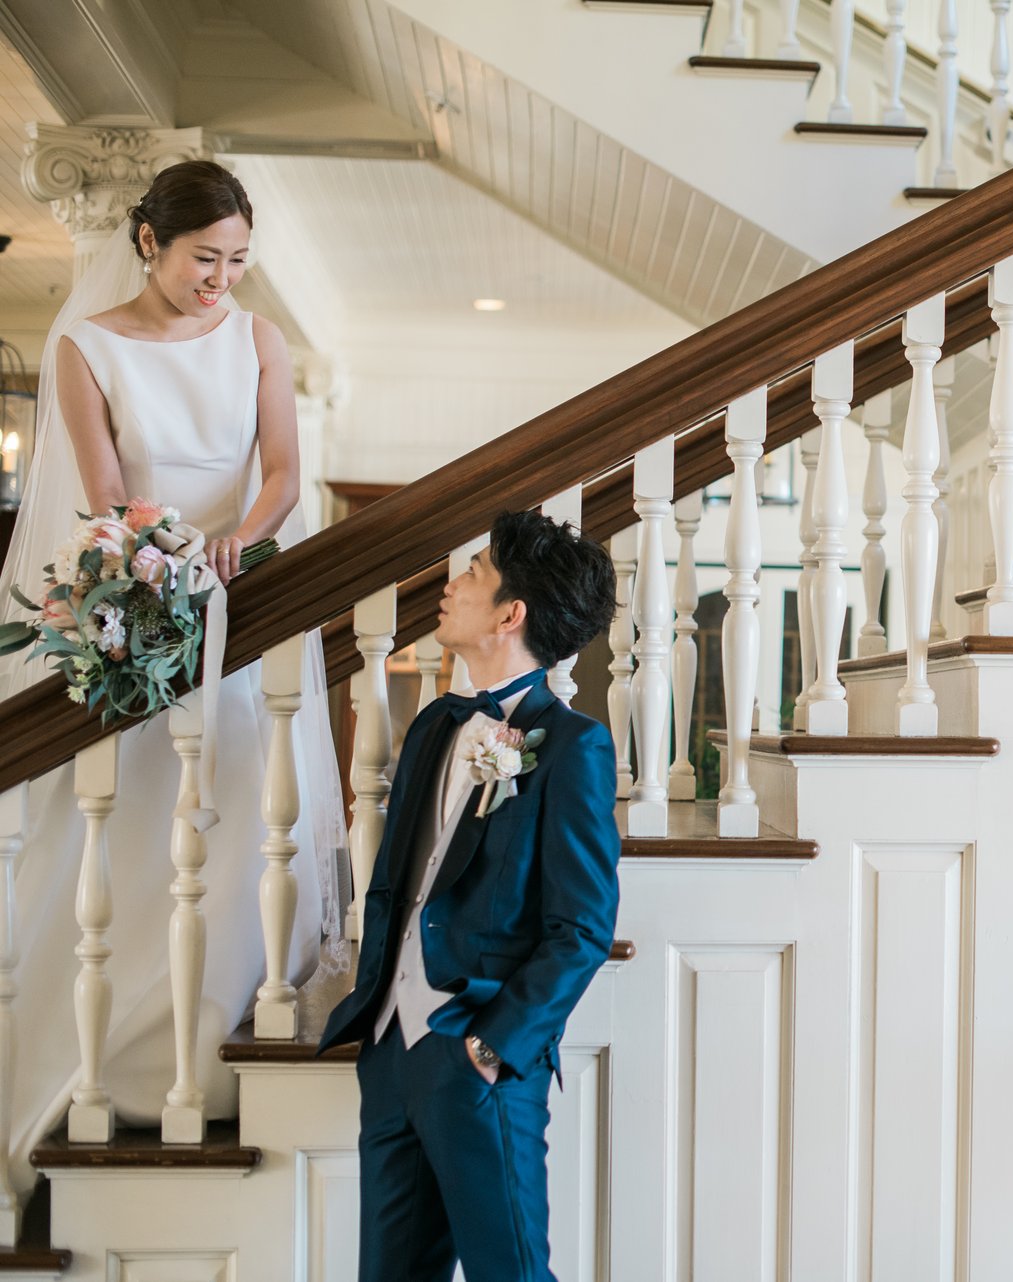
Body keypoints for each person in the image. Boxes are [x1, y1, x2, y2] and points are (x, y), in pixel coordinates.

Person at [0, 160, 342, 1190]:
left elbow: (283, 473)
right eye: (205, 257)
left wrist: (238, 541)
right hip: (144, 608)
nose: (221, 280)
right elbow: (107, 494)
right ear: (150, 242)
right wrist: (159, 565)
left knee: (236, 823)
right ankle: (115, 1065)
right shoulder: (84, 347)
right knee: (139, 826)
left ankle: (218, 1053)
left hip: (239, 611)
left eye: (238, 260)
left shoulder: (258, 339)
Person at [319, 510, 619, 1282]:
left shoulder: (573, 747)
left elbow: (582, 929)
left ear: (510, 615)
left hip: (478, 1063)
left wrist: (490, 1047)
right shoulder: (433, 726)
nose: (451, 585)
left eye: (474, 573)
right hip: (391, 1054)